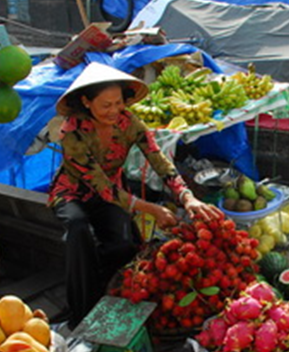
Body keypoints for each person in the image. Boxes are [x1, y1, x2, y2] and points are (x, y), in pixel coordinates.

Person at [48, 62, 222, 326]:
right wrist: (152, 209)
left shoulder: (129, 123)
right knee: (78, 228)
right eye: (105, 105)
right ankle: (81, 312)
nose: (114, 111)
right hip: (73, 193)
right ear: (86, 102)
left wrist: (186, 196)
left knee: (123, 244)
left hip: (116, 192)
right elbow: (101, 187)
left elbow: (157, 158)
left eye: (118, 103)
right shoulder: (72, 133)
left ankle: (110, 296)